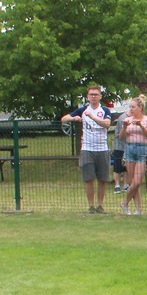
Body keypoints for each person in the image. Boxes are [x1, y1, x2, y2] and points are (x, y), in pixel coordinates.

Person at [61, 85, 113, 213]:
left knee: (102, 179)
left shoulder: (104, 110)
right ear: (87, 97)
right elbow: (63, 119)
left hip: (102, 148)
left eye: (96, 94)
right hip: (87, 148)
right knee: (88, 178)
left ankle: (100, 205)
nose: (93, 97)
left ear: (100, 96)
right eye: (91, 94)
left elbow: (107, 124)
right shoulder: (83, 110)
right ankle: (91, 206)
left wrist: (92, 117)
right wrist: (73, 118)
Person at [120, 95, 147, 216]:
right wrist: (124, 127)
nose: (131, 109)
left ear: (140, 107)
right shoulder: (128, 120)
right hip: (130, 149)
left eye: (133, 107)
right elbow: (121, 137)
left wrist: (140, 125)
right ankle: (138, 209)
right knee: (132, 182)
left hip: (143, 149)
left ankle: (124, 202)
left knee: (137, 182)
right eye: (130, 107)